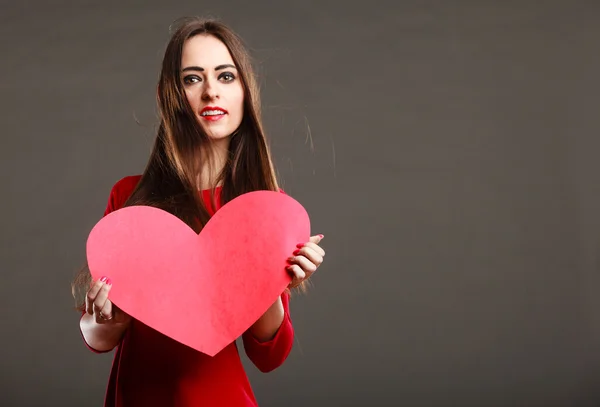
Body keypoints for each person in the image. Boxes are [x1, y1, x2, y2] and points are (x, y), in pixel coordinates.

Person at [71, 17, 326, 407]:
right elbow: (98, 339)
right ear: (167, 95)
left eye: (226, 77)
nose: (211, 92)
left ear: (245, 92)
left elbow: (269, 356)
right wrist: (106, 317)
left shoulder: (264, 207)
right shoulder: (128, 197)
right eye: (192, 79)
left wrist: (272, 284)